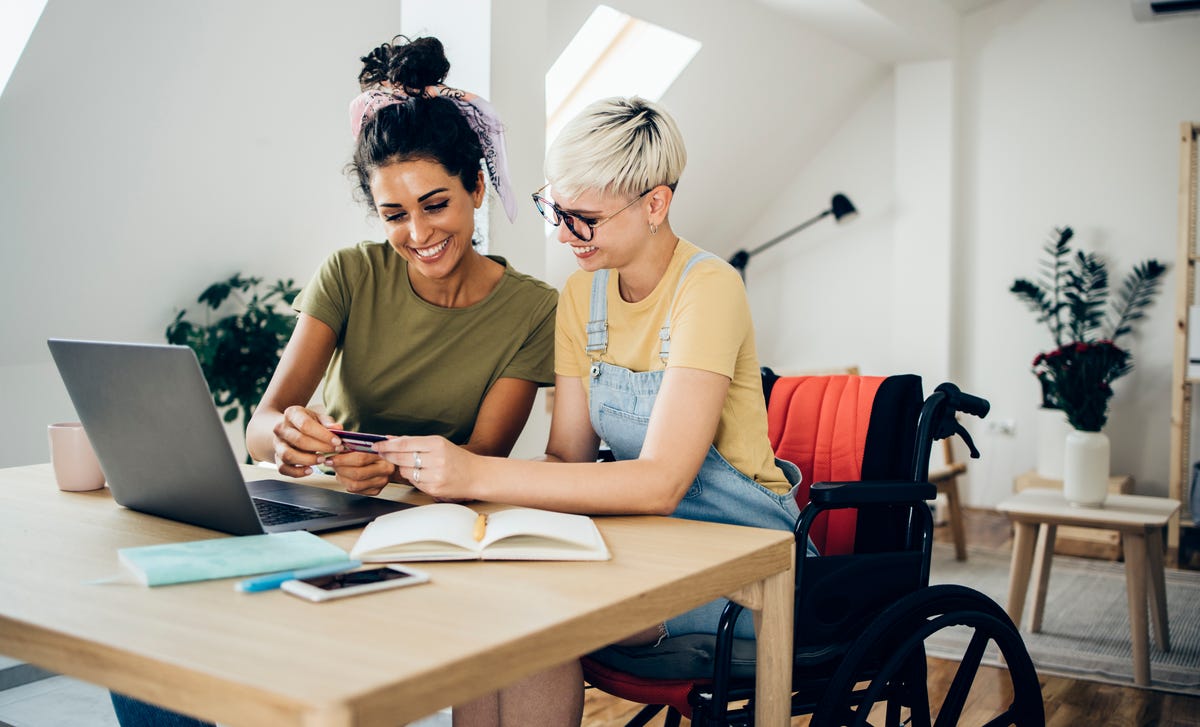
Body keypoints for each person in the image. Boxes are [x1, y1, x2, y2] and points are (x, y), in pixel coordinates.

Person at [109, 35, 556, 727]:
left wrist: (381, 465)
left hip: (416, 530)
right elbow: (263, 423)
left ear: (476, 187)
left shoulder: (531, 309)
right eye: (393, 214)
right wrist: (288, 439)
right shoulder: (350, 273)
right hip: (320, 511)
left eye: (435, 203)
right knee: (148, 626)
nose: (417, 233)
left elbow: (483, 464)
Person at [373, 96, 809, 727]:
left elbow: (663, 482)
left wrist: (475, 473)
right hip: (645, 544)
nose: (561, 234)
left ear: (654, 205)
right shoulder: (582, 297)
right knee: (486, 597)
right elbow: (566, 460)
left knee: (540, 613)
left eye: (585, 219)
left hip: (744, 558)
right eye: (557, 210)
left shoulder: (709, 287)